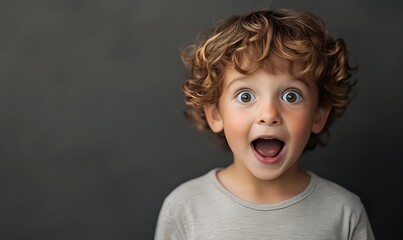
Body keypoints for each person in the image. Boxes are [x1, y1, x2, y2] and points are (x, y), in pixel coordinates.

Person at [155, 9, 374, 240]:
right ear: (216, 114)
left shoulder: (344, 213)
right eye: (245, 96)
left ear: (318, 115)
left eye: (291, 96)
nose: (269, 114)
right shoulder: (184, 208)